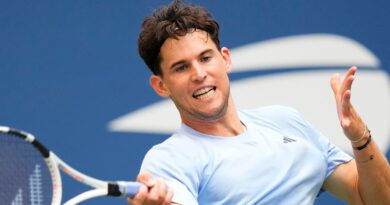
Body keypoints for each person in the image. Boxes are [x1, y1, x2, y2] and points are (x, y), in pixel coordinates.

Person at [128, 0, 390, 204]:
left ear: (226, 59)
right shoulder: (168, 161)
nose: (199, 74)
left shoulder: (285, 120)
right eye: (181, 67)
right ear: (161, 85)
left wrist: (360, 138)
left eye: (205, 58)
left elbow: (375, 200)